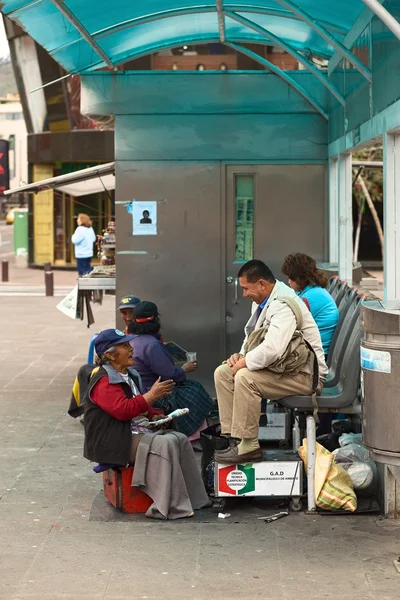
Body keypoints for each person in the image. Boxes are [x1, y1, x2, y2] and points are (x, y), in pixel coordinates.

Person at [83, 328, 211, 520]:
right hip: (115, 440)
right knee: (164, 443)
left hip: (134, 431)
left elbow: (139, 403)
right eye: (125, 346)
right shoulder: (103, 381)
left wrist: (154, 416)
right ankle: (168, 505)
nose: (131, 349)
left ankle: (195, 499)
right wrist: (153, 395)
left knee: (180, 438)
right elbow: (123, 410)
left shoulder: (131, 375)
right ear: (110, 355)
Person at [214, 259, 327, 464]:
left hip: (304, 375)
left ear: (262, 284)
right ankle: (234, 439)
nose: (244, 294)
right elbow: (252, 338)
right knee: (223, 373)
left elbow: (274, 348)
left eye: (246, 289)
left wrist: (245, 363)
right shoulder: (262, 302)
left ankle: (249, 446)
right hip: (284, 369)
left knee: (246, 378)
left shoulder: (283, 304)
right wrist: (239, 356)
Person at [128, 301, 215, 439]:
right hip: (152, 393)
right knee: (194, 389)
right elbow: (171, 376)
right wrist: (184, 369)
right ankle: (194, 435)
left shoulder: (131, 340)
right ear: (155, 320)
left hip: (137, 391)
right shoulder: (152, 345)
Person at [281, 253, 339, 356]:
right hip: (314, 350)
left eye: (290, 278)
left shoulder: (309, 298)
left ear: (299, 278)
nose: (288, 282)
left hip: (314, 356)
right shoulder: (313, 290)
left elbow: (288, 327)